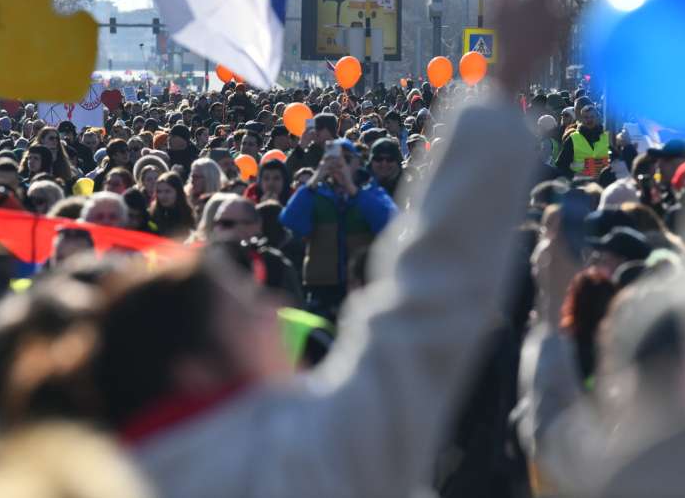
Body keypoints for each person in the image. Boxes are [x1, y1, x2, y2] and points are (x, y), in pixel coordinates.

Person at [87, 66, 539, 498]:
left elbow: (386, 225)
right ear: (194, 362)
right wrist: (501, 85)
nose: (269, 306)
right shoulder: (285, 455)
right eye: (242, 306)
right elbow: (415, 326)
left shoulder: (112, 465)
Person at [280, 138, 397, 317]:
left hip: (363, 285)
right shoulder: (314, 194)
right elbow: (290, 220)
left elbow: (388, 223)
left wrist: (352, 190)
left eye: (347, 160)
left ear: (358, 163)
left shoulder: (372, 192)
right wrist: (316, 177)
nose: (340, 165)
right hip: (323, 289)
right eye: (334, 160)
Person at [556, 104, 610, 179]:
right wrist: (573, 176)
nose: (589, 120)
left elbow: (616, 161)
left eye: (592, 117)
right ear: (581, 119)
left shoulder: (607, 137)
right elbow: (561, 165)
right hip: (581, 185)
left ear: (597, 118)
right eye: (586, 117)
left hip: (604, 183)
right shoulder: (573, 138)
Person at [148, 172, 195, 240]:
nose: (162, 196)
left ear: (178, 192)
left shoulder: (189, 215)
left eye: (167, 191)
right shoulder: (151, 215)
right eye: (159, 191)